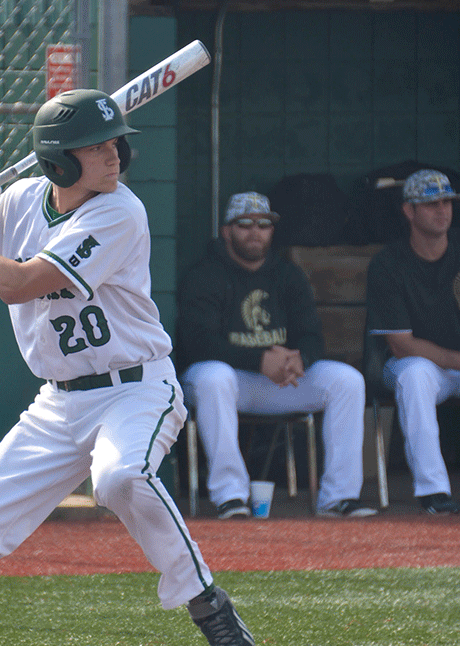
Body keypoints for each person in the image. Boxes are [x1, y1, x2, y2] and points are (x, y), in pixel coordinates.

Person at [0, 90, 256, 646]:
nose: (112, 154)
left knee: (120, 480)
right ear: (60, 162)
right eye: (95, 146)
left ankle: (203, 596)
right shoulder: (20, 201)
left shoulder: (120, 212)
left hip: (135, 390)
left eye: (115, 141)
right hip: (58, 401)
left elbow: (15, 282)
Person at [177, 191, 377, 520]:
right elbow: (199, 344)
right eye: (244, 224)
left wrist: (302, 359)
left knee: (346, 380)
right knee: (214, 376)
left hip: (278, 380)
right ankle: (231, 496)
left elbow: (311, 334)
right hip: (227, 383)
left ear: (272, 231)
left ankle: (339, 497)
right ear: (227, 231)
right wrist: (259, 361)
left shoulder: (288, 275)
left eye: (263, 224)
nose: (255, 232)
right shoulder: (204, 276)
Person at [365, 169, 460, 515]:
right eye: (431, 203)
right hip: (410, 364)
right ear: (409, 211)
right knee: (416, 374)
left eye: (447, 202)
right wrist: (454, 359)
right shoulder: (388, 263)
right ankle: (433, 490)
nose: (442, 210)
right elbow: (401, 344)